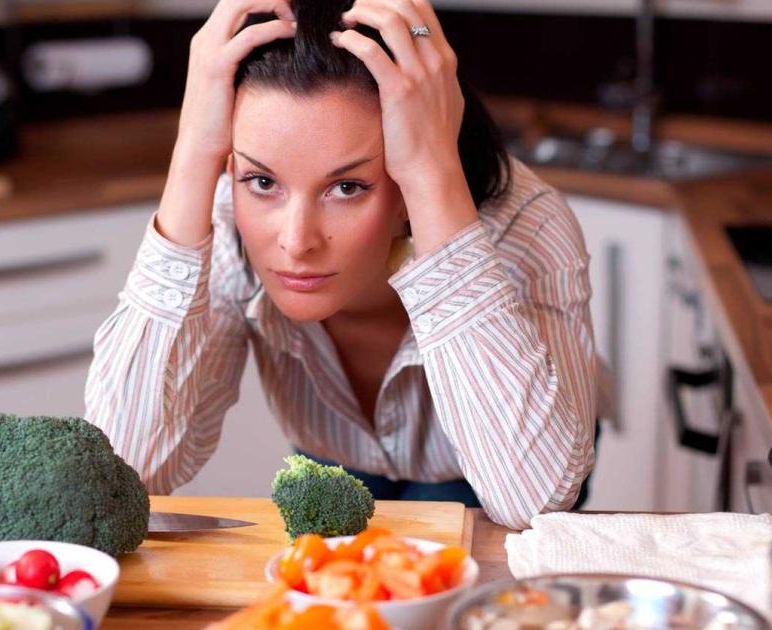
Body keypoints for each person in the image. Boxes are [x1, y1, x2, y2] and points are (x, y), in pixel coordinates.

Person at [85, 0, 597, 529]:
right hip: (335, 461)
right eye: (262, 181)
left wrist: (431, 174)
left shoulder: (523, 228)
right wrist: (192, 151)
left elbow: (533, 501)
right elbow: (121, 472)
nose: (296, 241)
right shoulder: (224, 219)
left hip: (501, 464)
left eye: (348, 187)